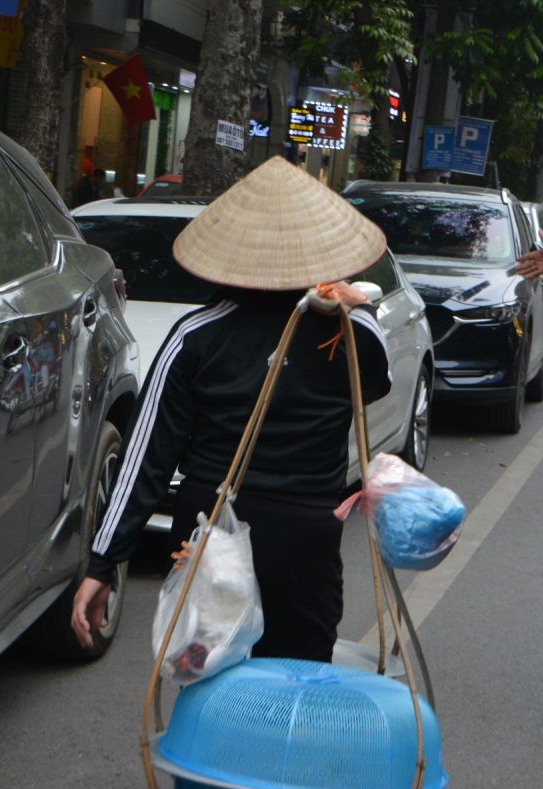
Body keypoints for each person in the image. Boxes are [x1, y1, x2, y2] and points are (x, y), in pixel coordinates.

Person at [70, 157, 392, 662]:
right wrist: (350, 308)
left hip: (209, 531)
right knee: (296, 690)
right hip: (305, 540)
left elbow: (145, 461)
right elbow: (372, 386)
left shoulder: (195, 337)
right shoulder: (352, 332)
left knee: (208, 682)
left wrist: (103, 563)